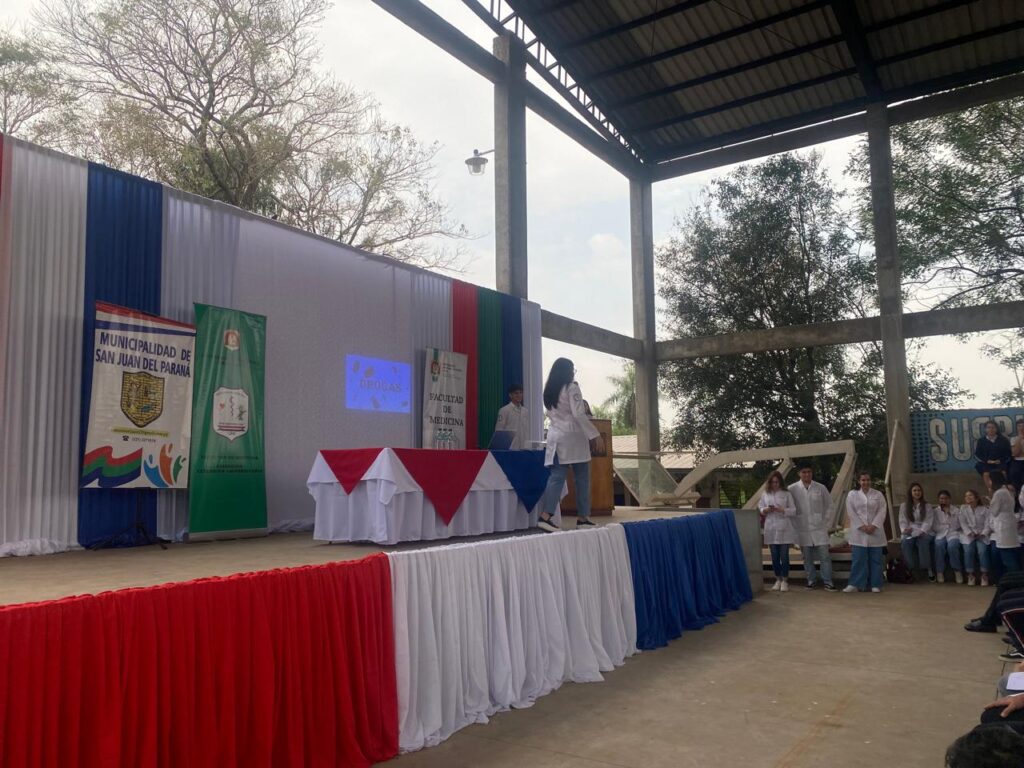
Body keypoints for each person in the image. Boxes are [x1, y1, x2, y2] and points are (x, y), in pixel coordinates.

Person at [536, 358, 604, 533]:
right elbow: (579, 414)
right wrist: (595, 434)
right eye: (573, 369)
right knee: (582, 479)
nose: (574, 372)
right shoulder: (572, 387)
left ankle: (545, 516)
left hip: (555, 437)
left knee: (556, 477)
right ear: (567, 371)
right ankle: (583, 518)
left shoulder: (550, 389)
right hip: (573, 439)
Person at [788, 462, 836, 591]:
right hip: (802, 529)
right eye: (804, 472)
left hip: (820, 528)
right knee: (807, 558)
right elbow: (789, 509)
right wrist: (794, 529)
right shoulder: (792, 489)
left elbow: (830, 506)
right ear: (799, 473)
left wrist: (826, 524)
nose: (806, 474)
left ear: (812, 473)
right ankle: (811, 580)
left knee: (825, 557)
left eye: (809, 472)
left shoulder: (820, 488)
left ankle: (828, 581)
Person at [844, 471, 888, 594]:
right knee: (858, 559)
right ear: (859, 481)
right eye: (863, 480)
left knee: (876, 560)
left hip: (875, 531)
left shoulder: (878, 494)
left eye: (868, 480)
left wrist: (873, 526)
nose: (866, 482)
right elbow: (851, 512)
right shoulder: (852, 494)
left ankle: (875, 584)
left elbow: (882, 511)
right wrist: (862, 526)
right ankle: (855, 584)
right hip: (859, 532)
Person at [758, 470, 797, 592]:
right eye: (773, 482)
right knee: (774, 556)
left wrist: (782, 510)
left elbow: (793, 510)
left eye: (777, 482)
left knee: (784, 556)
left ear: (780, 482)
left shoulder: (786, 493)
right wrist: (765, 510)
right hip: (771, 528)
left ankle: (785, 580)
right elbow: (760, 507)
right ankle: (778, 579)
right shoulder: (765, 493)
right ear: (769, 483)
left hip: (784, 528)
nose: (775, 484)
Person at [899, 482, 935, 581]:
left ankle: (928, 569)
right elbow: (902, 521)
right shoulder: (904, 506)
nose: (917, 492)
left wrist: (921, 531)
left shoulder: (927, 506)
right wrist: (905, 529)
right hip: (910, 531)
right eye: (914, 490)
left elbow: (928, 521)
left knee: (922, 542)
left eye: (919, 490)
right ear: (910, 492)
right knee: (905, 542)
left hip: (924, 531)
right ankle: (909, 569)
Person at [990, 470, 1022, 575]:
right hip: (1009, 524)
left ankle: (1015, 580)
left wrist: (990, 500)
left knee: (1007, 557)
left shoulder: (998, 493)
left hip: (1003, 526)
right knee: (1011, 554)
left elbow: (994, 511)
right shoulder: (1008, 490)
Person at [962, 489, 993, 586]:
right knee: (968, 550)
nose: (968, 497)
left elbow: (988, 524)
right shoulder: (963, 509)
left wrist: (983, 533)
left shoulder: (985, 510)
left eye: (970, 495)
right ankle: (970, 575)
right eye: (966, 496)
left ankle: (984, 575)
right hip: (969, 535)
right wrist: (970, 533)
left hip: (982, 535)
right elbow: (963, 524)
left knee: (982, 550)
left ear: (976, 498)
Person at [933, 490, 965, 584]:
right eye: (941, 498)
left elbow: (957, 526)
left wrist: (949, 515)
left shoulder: (956, 510)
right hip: (940, 534)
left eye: (946, 498)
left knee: (952, 546)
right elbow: (934, 526)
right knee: (939, 546)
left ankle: (957, 570)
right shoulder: (935, 511)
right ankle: (940, 571)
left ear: (949, 499)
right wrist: (944, 527)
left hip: (953, 533)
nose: (944, 500)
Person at [494, 383, 529, 450]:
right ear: (510, 395)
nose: (519, 395)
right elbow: (499, 431)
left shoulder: (525, 411)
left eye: (521, 393)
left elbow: (527, 430)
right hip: (510, 448)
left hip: (523, 448)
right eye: (516, 393)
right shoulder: (504, 410)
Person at [1011, 419, 1024, 492]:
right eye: (1019, 426)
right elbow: (1015, 453)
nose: (1021, 428)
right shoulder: (1014, 439)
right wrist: (1020, 438)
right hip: (1017, 462)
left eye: (1023, 426)